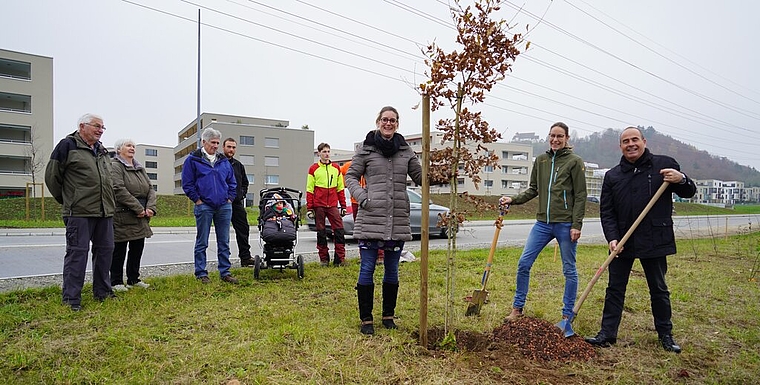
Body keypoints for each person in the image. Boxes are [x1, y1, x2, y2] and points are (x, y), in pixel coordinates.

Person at [585, 127, 696, 353]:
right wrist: (612, 238)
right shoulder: (613, 175)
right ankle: (607, 334)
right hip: (623, 241)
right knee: (615, 288)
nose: (630, 144)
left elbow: (689, 192)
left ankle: (665, 335)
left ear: (644, 141)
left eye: (635, 139)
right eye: (625, 141)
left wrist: (682, 178)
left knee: (658, 288)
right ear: (620, 146)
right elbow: (607, 212)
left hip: (654, 238)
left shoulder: (664, 165)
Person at [345, 106, 423, 335]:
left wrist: (440, 172)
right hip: (371, 216)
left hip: (397, 218)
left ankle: (388, 316)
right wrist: (362, 197)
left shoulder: (406, 151)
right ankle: (366, 319)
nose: (389, 123)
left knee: (392, 269)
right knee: (367, 267)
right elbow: (350, 175)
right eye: (385, 119)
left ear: (397, 124)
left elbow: (420, 178)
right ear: (378, 121)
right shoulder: (366, 149)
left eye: (393, 120)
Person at [499, 122, 587, 324]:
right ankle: (517, 308)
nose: (555, 140)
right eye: (552, 136)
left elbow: (581, 195)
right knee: (524, 263)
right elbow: (533, 189)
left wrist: (577, 225)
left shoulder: (575, 162)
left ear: (567, 139)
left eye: (560, 136)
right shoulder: (541, 161)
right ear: (548, 137)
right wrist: (513, 199)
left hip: (565, 224)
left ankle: (567, 314)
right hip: (542, 224)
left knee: (569, 269)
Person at [45, 113, 116, 311]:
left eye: (103, 127)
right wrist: (69, 200)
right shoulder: (67, 145)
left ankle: (103, 292)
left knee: (105, 252)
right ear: (82, 126)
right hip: (79, 212)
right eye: (97, 126)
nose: (101, 130)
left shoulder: (102, 151)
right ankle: (71, 299)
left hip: (104, 212)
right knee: (77, 254)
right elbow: (52, 177)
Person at [182, 127, 239, 284]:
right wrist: (197, 200)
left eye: (217, 143)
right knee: (202, 241)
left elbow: (231, 181)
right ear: (204, 142)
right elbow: (187, 183)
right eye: (212, 142)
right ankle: (201, 273)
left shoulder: (223, 161)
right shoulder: (192, 160)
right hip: (204, 206)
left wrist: (230, 198)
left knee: (224, 241)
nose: (215, 146)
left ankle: (225, 272)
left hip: (224, 206)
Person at [110, 138, 157, 292]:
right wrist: (138, 208)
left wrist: (150, 207)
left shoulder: (139, 167)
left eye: (133, 146)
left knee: (137, 247)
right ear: (119, 149)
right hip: (124, 214)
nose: (132, 148)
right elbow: (118, 189)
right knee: (119, 249)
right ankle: (116, 281)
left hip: (142, 215)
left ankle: (133, 279)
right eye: (128, 145)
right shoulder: (115, 166)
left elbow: (150, 188)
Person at [306, 143, 348, 266]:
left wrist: (343, 206)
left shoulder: (336, 168)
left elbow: (340, 188)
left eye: (328, 151)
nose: (327, 154)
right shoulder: (313, 169)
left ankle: (340, 259)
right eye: (324, 151)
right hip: (319, 205)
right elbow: (310, 189)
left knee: (339, 231)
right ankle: (324, 259)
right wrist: (310, 208)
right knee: (321, 232)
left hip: (333, 205)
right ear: (319, 153)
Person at [340, 160, 384, 265]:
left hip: (373, 199)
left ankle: (380, 255)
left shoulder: (374, 162)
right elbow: (339, 173)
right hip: (357, 201)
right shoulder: (349, 165)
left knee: (377, 227)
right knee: (361, 230)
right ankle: (364, 255)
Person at [223, 138, 254, 267]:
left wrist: (241, 194)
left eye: (234, 147)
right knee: (223, 233)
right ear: (223, 147)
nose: (231, 150)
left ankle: (245, 258)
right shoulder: (218, 163)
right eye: (229, 147)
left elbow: (245, 183)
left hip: (236, 203)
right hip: (222, 204)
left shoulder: (238, 165)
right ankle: (224, 261)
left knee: (243, 229)